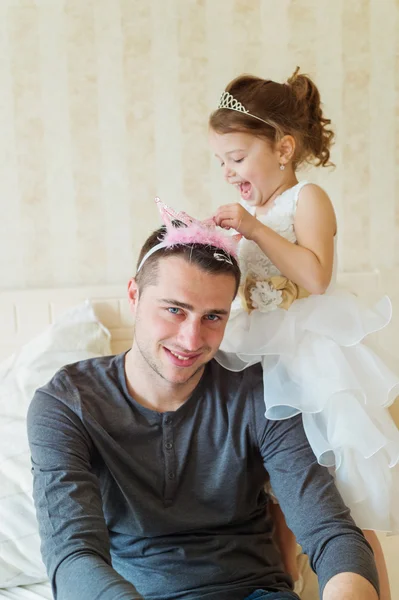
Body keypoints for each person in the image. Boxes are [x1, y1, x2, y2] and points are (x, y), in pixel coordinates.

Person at [27, 201, 380, 600]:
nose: (191, 340)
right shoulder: (66, 403)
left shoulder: (263, 393)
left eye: (213, 317)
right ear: (134, 295)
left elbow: (331, 533)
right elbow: (72, 555)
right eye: (175, 310)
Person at [209, 67, 399, 600]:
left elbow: (315, 277)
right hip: (263, 362)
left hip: (311, 363)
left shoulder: (307, 198)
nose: (228, 171)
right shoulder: (257, 211)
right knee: (278, 507)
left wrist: (253, 229)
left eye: (238, 158)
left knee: (338, 507)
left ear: (285, 148)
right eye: (221, 161)